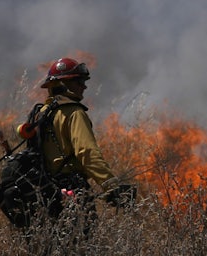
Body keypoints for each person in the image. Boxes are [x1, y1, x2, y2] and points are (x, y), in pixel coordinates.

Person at [14, 57, 134, 228]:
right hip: (71, 191)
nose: (84, 86)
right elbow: (87, 153)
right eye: (79, 81)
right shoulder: (73, 112)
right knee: (84, 247)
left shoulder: (40, 113)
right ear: (64, 84)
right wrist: (111, 186)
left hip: (45, 193)